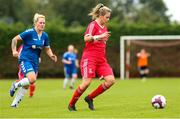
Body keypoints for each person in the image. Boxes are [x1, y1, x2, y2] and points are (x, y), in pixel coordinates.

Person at [68, 3, 115, 111]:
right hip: (89, 58)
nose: (108, 19)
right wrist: (100, 37)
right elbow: (86, 38)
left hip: (101, 60)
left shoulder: (104, 27)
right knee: (86, 83)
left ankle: (90, 98)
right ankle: (71, 104)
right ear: (101, 15)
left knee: (110, 80)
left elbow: (101, 45)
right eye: (107, 17)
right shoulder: (93, 25)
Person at [10, 13, 57, 108]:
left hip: (35, 62)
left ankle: (14, 104)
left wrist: (51, 55)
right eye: (40, 22)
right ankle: (15, 85)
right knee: (32, 79)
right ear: (36, 23)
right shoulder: (29, 32)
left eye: (44, 23)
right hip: (25, 59)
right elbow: (14, 39)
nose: (43, 24)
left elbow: (47, 48)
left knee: (28, 84)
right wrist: (14, 51)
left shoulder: (45, 36)